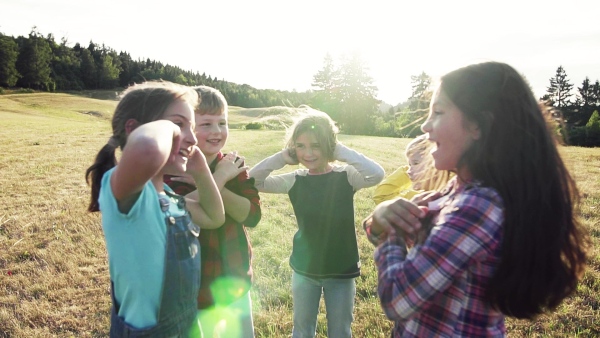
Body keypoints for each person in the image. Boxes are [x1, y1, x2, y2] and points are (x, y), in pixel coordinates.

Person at [363, 61, 589, 337]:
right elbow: (385, 224)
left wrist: (388, 235)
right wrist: (383, 217)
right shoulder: (455, 192)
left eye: (438, 112)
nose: (425, 126)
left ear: (478, 126)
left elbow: (398, 299)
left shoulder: (477, 206)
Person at [85, 81, 225, 337]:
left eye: (192, 127)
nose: (192, 138)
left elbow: (215, 217)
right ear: (135, 129)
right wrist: (171, 129)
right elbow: (148, 150)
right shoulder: (125, 191)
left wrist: (200, 166)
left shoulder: (168, 197)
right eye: (178, 125)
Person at [249, 107, 385, 338]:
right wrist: (282, 157)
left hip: (341, 269)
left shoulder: (346, 177)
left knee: (340, 331)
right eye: (300, 146)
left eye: (316, 145)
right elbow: (253, 181)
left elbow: (376, 174)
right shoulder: (294, 180)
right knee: (302, 330)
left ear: (329, 146)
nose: (308, 153)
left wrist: (339, 150)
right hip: (305, 269)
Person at [164, 85, 261, 338]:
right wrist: (217, 177)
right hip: (192, 283)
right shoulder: (173, 169)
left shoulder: (233, 166)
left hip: (234, 277)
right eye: (206, 124)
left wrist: (217, 178)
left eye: (222, 123)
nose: (217, 131)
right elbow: (179, 209)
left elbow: (251, 215)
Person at [372, 134, 451, 205]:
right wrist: (411, 170)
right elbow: (382, 198)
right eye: (409, 165)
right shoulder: (416, 198)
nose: (408, 171)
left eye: (416, 163)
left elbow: (381, 197)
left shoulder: (446, 200)